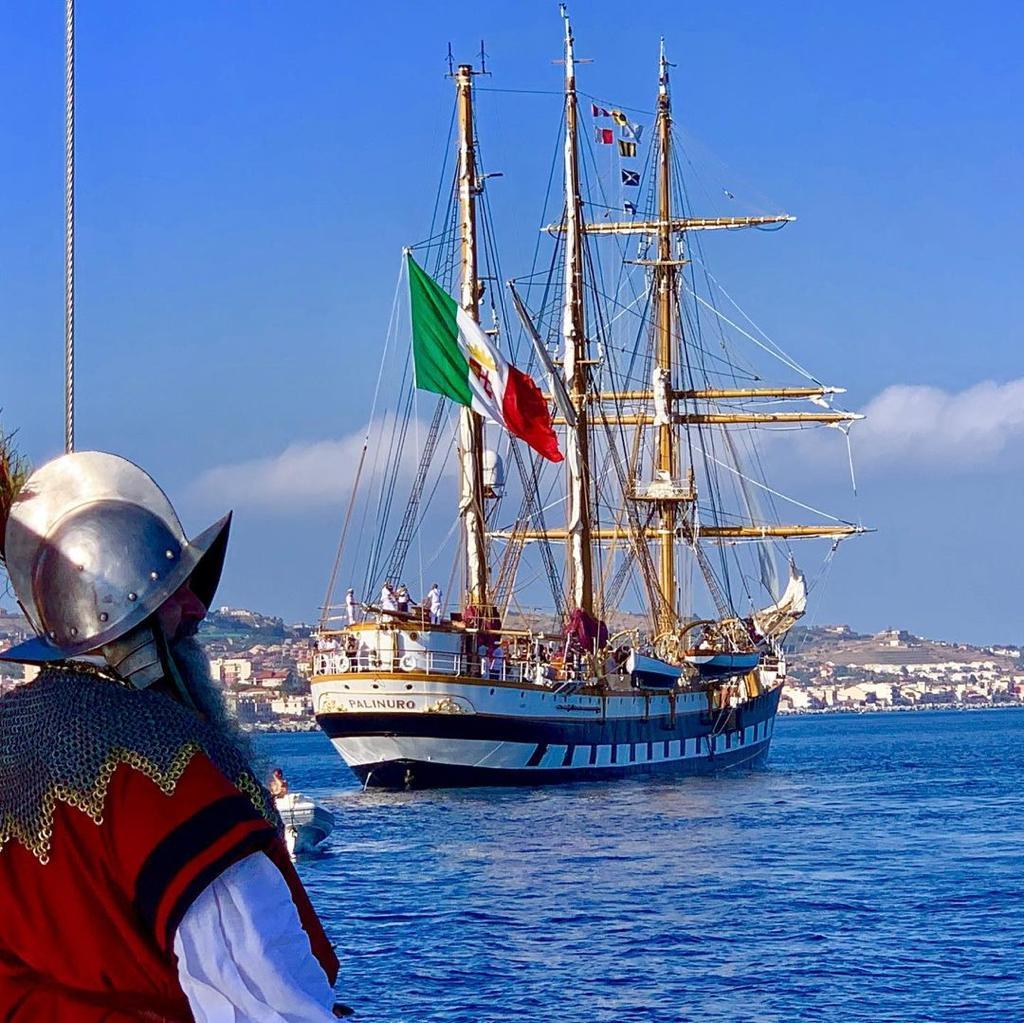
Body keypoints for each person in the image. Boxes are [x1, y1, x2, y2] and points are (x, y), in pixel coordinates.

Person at [0, 451, 343, 1021]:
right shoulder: (167, 769)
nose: (195, 608)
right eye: (170, 593)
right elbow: (264, 999)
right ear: (119, 621)